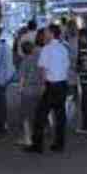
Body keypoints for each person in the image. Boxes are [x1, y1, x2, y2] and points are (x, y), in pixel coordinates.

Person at [23, 24, 70, 154]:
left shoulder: (47, 49)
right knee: (60, 116)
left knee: (40, 115)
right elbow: (66, 66)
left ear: (52, 34)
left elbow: (43, 69)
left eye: (46, 32)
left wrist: (43, 85)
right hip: (62, 84)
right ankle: (59, 144)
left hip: (51, 85)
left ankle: (37, 145)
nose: (44, 35)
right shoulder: (63, 48)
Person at [15, 40, 44, 147]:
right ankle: (36, 135)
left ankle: (27, 138)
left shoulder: (24, 61)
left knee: (25, 115)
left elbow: (22, 77)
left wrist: (20, 89)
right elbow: (43, 74)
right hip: (38, 89)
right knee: (35, 114)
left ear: (23, 51)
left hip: (27, 90)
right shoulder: (39, 60)